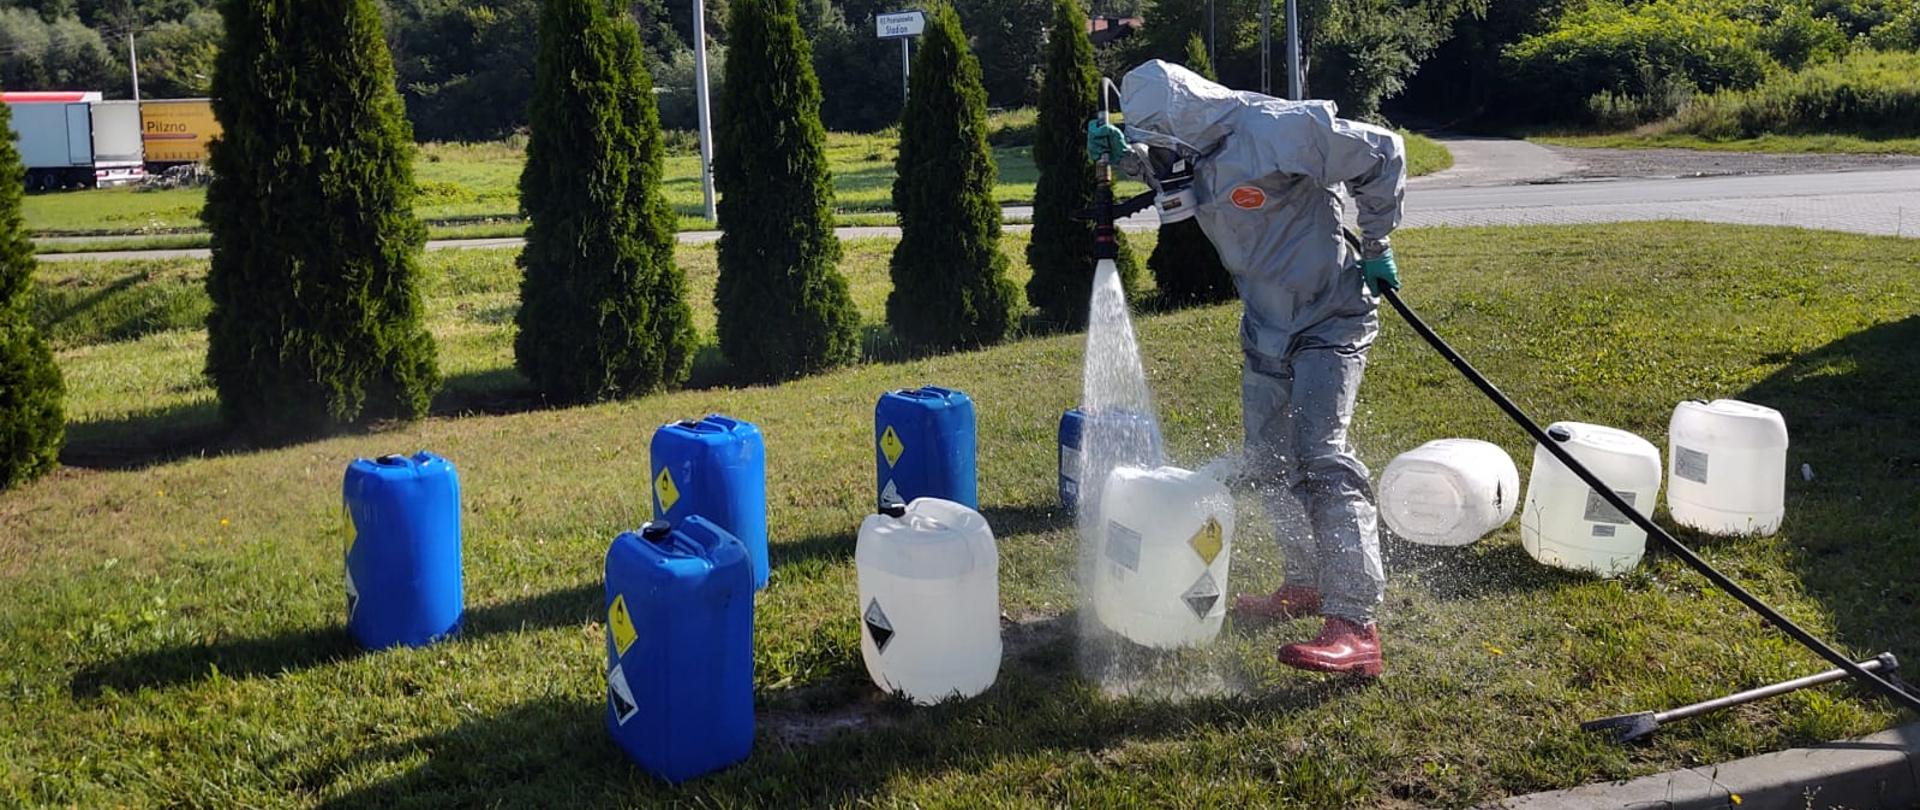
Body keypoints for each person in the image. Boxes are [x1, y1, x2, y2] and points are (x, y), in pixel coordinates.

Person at [1088, 60, 1405, 678]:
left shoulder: (1280, 129)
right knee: (1268, 460)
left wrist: (1377, 244)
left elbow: (1382, 152)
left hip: (1329, 314)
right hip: (1265, 324)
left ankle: (1355, 624)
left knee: (1321, 459)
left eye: (1160, 139)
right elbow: (1174, 176)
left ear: (1188, 115)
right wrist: (1125, 156)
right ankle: (1306, 583)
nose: (1160, 154)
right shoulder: (1189, 146)